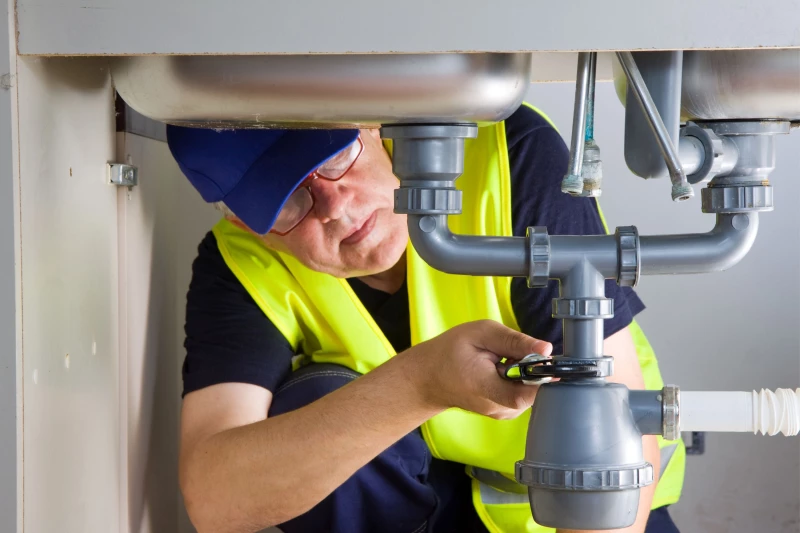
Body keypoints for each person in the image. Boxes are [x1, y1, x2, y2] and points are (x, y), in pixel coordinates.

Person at [167, 103, 685, 533]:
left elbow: (614, 416)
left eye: (336, 156)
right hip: (424, 517)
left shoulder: (504, 153)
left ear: (371, 123)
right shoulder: (241, 264)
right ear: (246, 223)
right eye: (287, 201)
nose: (334, 207)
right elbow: (215, 496)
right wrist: (418, 384)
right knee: (311, 405)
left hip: (596, 509)